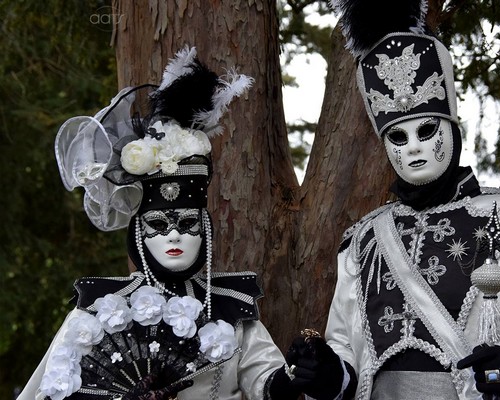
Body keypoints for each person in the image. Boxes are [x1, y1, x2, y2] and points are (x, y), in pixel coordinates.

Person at [283, 1, 500, 399]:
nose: (413, 149)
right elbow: (346, 347)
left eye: (426, 131)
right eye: (398, 137)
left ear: (451, 126)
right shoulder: (363, 240)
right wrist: (328, 374)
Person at [17, 46, 299, 400]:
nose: (175, 234)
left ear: (205, 228)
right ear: (139, 232)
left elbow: (268, 382)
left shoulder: (231, 308)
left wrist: (302, 377)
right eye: (158, 224)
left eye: (187, 222)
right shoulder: (97, 309)